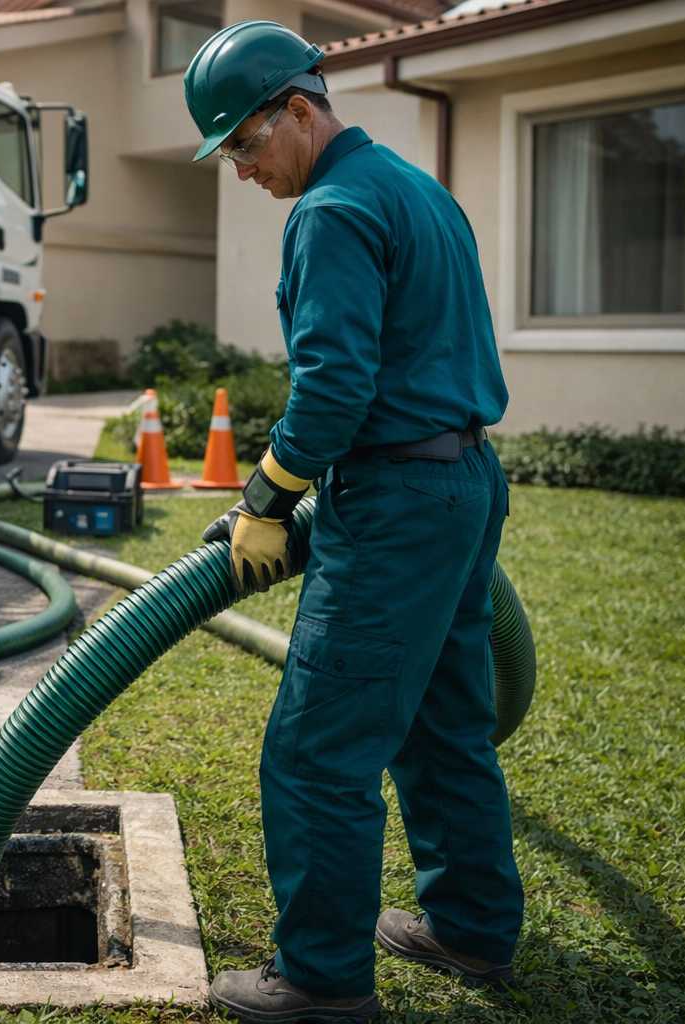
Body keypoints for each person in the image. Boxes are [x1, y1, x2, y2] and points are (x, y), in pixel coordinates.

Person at [183, 20, 524, 1023]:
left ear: (300, 107)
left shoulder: (331, 210)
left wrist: (266, 498)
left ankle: (322, 982)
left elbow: (334, 390)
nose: (243, 171)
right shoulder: (416, 188)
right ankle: (469, 925)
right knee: (442, 722)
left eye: (246, 144)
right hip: (463, 482)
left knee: (317, 749)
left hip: (395, 505)